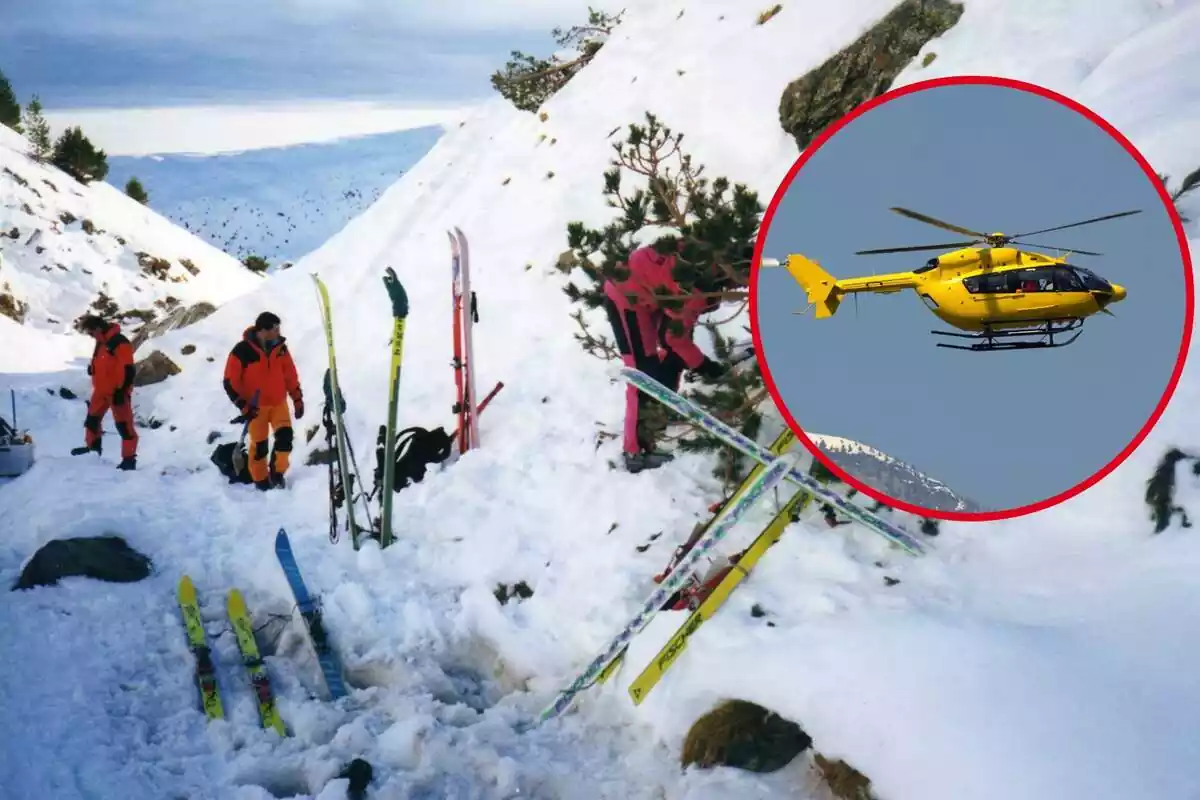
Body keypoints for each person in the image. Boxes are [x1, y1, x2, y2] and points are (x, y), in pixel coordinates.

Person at [602, 244, 728, 473]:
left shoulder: (708, 252)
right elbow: (674, 339)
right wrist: (705, 367)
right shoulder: (697, 289)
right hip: (626, 298)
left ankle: (659, 411)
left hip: (653, 293)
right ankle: (635, 451)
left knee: (673, 357)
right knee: (642, 373)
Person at [222, 312, 304, 491]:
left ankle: (277, 473)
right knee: (260, 446)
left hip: (278, 404)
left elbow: (290, 375)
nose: (278, 332)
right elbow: (229, 381)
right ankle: (260, 480)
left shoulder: (280, 348)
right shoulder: (242, 351)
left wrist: (297, 399)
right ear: (263, 330)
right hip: (255, 408)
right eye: (275, 329)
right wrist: (243, 406)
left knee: (285, 439)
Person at [72, 315, 139, 470]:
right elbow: (103, 362)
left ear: (97, 328)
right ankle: (92, 451)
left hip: (117, 392)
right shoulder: (101, 342)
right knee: (92, 421)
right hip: (100, 391)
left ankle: (129, 460)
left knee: (124, 427)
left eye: (90, 332)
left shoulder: (119, 342)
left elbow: (128, 369)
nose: (90, 336)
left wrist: (121, 391)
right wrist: (93, 369)